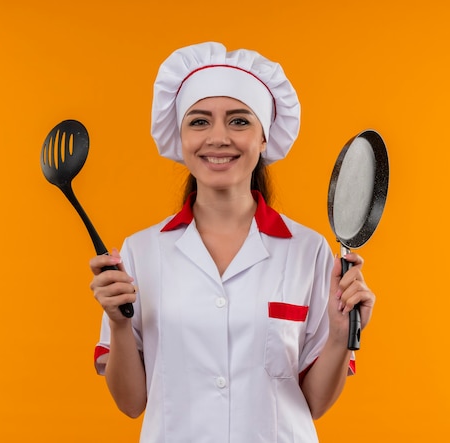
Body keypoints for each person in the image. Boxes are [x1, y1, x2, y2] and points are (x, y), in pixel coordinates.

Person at [89, 42, 376, 442]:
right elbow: (131, 403)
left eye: (240, 121)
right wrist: (119, 326)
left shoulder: (308, 251)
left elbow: (314, 404)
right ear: (180, 137)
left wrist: (341, 337)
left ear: (264, 138)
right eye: (199, 122)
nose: (218, 138)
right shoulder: (140, 251)